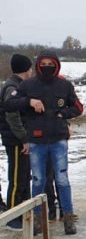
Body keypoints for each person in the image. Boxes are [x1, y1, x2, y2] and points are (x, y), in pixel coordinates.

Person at [18, 52, 82, 235]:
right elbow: (9, 103)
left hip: (58, 139)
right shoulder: (28, 84)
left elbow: (78, 107)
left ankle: (68, 218)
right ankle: (37, 219)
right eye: (43, 63)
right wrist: (29, 101)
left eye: (50, 63)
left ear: (56, 65)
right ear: (38, 65)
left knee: (62, 180)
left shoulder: (64, 85)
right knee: (38, 180)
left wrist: (63, 113)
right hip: (37, 140)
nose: (47, 66)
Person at [1, 54, 42, 228]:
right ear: (26, 69)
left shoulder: (18, 85)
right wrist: (24, 138)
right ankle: (12, 215)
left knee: (25, 177)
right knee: (17, 178)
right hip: (16, 140)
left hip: (20, 138)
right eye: (30, 68)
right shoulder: (12, 88)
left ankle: (23, 210)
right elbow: (13, 117)